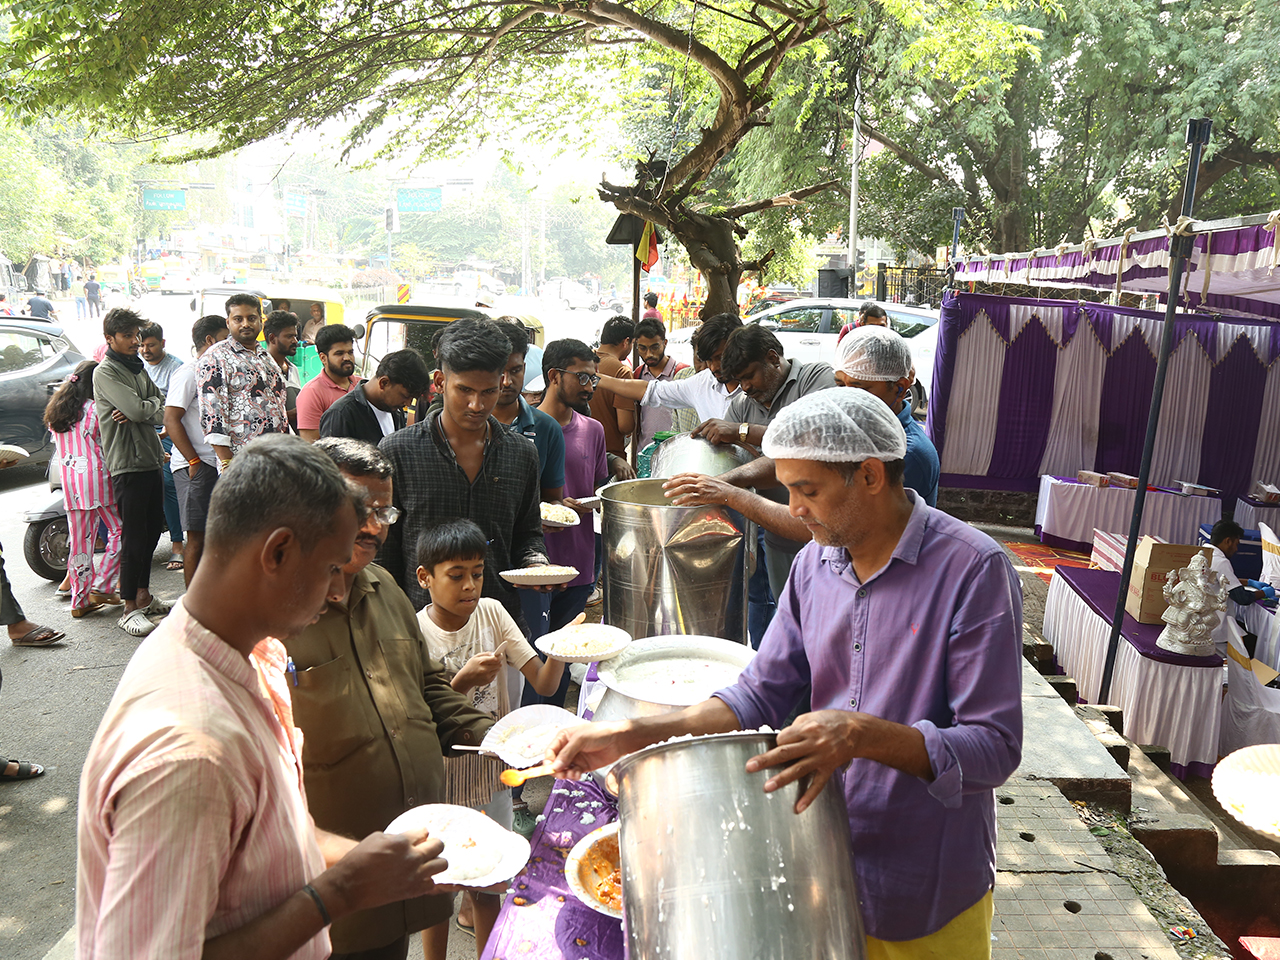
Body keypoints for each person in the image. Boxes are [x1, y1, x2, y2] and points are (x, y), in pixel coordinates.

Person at [551, 388, 1023, 960]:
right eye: (788, 488)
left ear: (870, 475)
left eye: (808, 490)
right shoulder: (812, 566)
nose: (793, 509)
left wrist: (859, 734)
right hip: (817, 863)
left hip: (924, 883)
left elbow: (994, 748)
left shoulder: (973, 569)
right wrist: (631, 734)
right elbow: (758, 695)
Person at [77, 435, 451, 960]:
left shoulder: (255, 656)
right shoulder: (190, 757)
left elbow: (271, 833)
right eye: (331, 568)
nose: (338, 591)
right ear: (277, 552)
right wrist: (340, 893)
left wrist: (368, 861)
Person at [283, 440, 499, 960]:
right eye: (358, 507)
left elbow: (425, 685)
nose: (374, 526)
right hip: (330, 879)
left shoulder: (385, 588)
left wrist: (498, 737)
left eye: (383, 511)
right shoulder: (277, 616)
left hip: (407, 859)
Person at [415, 518, 568, 959]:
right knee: (437, 886)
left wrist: (563, 646)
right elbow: (419, 717)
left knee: (488, 882)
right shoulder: (415, 631)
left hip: (490, 768)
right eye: (456, 575)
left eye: (477, 573)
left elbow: (542, 681)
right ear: (425, 578)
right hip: (441, 774)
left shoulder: (493, 613)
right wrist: (462, 681)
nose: (470, 586)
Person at [378, 318, 551, 628]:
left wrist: (535, 563)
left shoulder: (521, 454)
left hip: (499, 626)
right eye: (465, 390)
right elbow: (385, 554)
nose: (476, 404)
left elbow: (528, 534)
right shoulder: (398, 452)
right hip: (420, 629)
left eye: (488, 391)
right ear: (440, 382)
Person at [670, 324, 837, 599]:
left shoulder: (815, 378)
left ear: (772, 358)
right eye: (739, 380)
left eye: (749, 376)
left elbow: (810, 443)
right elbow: (739, 460)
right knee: (784, 608)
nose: (745, 387)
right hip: (776, 534)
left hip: (825, 535)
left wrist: (741, 433)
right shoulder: (741, 405)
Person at [535, 339, 610, 698]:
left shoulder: (593, 430)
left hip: (579, 561)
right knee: (533, 652)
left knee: (564, 653)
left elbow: (595, 485)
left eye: (593, 379)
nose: (589, 387)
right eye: (582, 377)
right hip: (535, 563)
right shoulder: (526, 428)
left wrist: (592, 501)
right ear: (554, 376)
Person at [93, 307, 170, 637]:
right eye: (127, 336)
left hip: (151, 458)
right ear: (110, 338)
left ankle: (143, 597)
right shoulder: (105, 372)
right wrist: (144, 408)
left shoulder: (136, 367)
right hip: (127, 463)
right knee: (134, 537)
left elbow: (160, 406)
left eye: (136, 335)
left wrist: (143, 408)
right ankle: (128, 609)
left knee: (151, 533)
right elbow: (141, 409)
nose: (135, 341)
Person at [44, 360, 124, 618]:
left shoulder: (56, 412)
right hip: (97, 478)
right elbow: (109, 443)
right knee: (120, 530)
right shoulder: (96, 410)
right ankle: (103, 585)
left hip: (70, 483)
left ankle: (79, 601)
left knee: (80, 543)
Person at [835, 326, 940, 506]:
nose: (845, 398)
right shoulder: (859, 428)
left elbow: (851, 516)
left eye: (858, 389)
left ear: (900, 389)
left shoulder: (905, 455)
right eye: (840, 386)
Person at [165, 315, 229, 588]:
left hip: (220, 462)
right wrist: (193, 461)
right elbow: (171, 419)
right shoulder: (189, 372)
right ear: (210, 340)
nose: (230, 345)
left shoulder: (222, 371)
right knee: (198, 538)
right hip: (196, 465)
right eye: (225, 339)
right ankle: (192, 603)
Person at [596, 312, 742, 426]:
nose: (714, 367)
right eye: (708, 360)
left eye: (721, 358)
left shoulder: (752, 389)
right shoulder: (702, 383)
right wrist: (596, 378)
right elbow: (650, 390)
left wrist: (739, 432)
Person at [197, 293, 289, 467]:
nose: (245, 324)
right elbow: (212, 415)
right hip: (242, 463)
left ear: (261, 321)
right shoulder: (216, 357)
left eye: (251, 318)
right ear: (228, 322)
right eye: (238, 319)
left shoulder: (265, 356)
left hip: (277, 458)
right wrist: (226, 463)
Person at [140, 322, 188, 571]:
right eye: (141, 345)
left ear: (162, 343)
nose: (145, 350)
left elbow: (177, 409)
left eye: (150, 345)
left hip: (168, 430)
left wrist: (164, 431)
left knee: (167, 481)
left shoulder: (176, 368)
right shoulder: (138, 366)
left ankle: (177, 543)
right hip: (143, 428)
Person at [320, 349, 430, 446]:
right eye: (405, 396)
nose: (408, 404)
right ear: (384, 383)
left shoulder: (396, 411)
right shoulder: (341, 415)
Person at [631, 317, 689, 451]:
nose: (649, 354)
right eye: (643, 348)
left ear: (665, 343)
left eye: (654, 347)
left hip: (676, 451)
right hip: (645, 451)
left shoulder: (682, 373)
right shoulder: (638, 374)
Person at [588, 315, 636, 473]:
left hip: (581, 453)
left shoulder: (583, 363)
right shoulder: (622, 372)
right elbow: (625, 425)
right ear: (626, 342)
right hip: (610, 461)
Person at [297, 324, 361, 441]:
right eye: (339, 353)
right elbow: (310, 445)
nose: (347, 358)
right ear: (323, 358)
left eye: (350, 352)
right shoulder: (312, 393)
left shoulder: (361, 385)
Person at [263, 310, 303, 430]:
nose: (295, 341)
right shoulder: (261, 370)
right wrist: (289, 415)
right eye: (289, 336)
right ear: (272, 338)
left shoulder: (292, 369)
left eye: (295, 336)